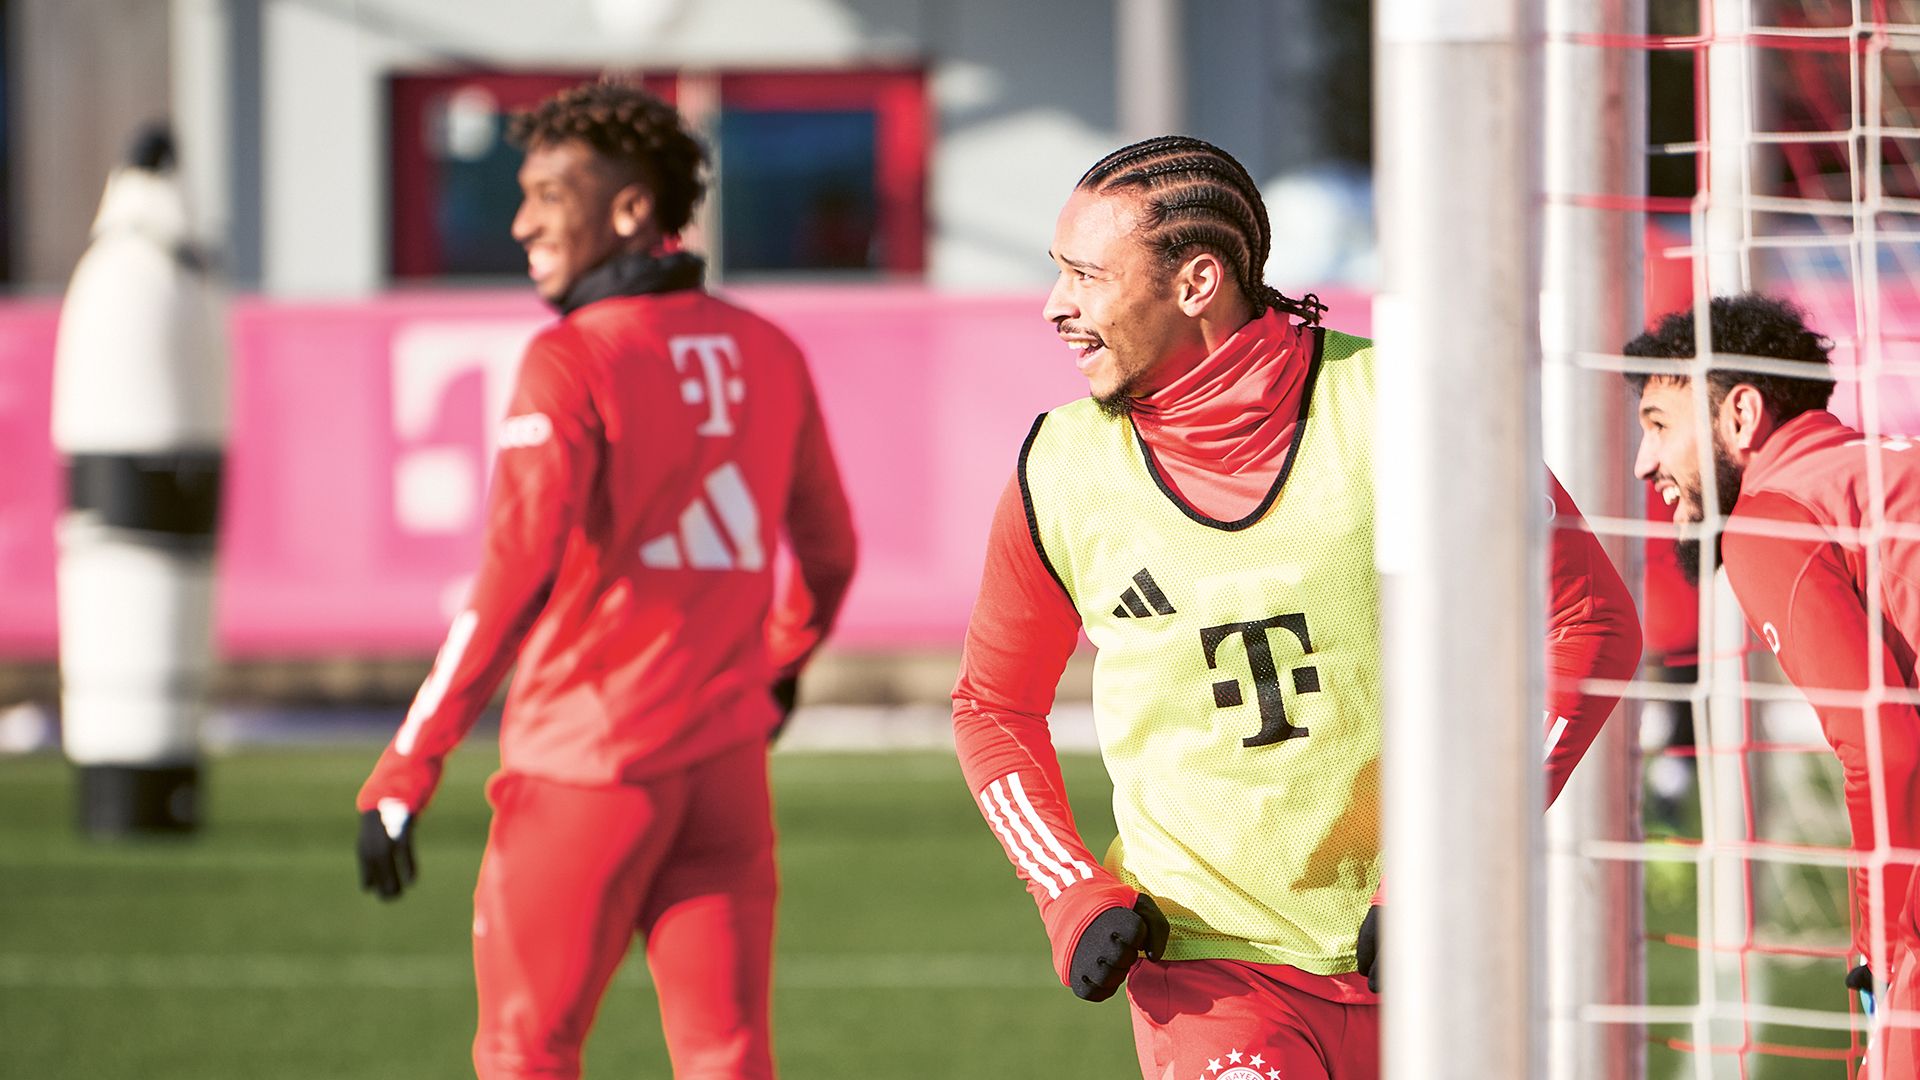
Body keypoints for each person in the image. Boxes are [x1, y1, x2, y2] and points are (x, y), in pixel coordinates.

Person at [952, 135, 1642, 1080]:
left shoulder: (1400, 407)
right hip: (1204, 965)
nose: (1055, 306)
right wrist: (1068, 891)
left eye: (1084, 275)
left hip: (1433, 957)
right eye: (1055, 273)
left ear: (1197, 282)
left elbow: (1589, 626)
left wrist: (1447, 867)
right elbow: (992, 707)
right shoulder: (1058, 469)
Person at [353, 83, 857, 1080]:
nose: (521, 219)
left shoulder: (570, 360)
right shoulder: (771, 349)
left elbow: (512, 577)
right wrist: (780, 665)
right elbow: (833, 557)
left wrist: (409, 763)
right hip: (724, 772)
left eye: (547, 192)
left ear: (630, 210)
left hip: (587, 765)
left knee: (526, 1052)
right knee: (727, 1056)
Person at [1628, 293, 1919, 1075]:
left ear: (1742, 414)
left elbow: (1883, 742)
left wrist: (1882, 944)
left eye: (1659, 426)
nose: (1643, 463)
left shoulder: (1769, 515)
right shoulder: (1879, 468)